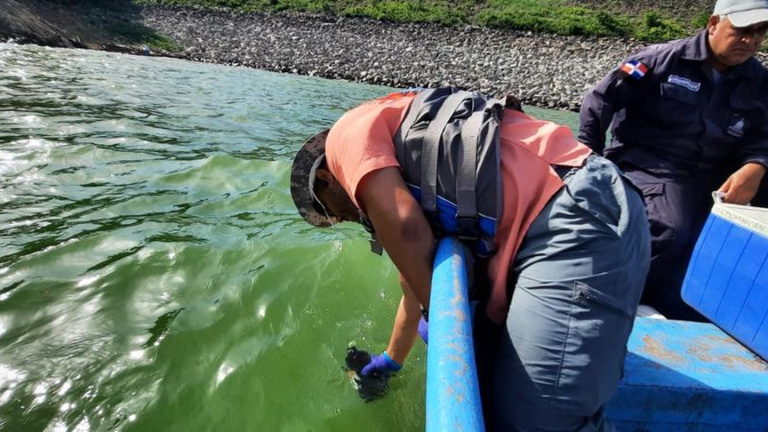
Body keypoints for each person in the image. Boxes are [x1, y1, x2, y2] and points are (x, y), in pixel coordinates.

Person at [290, 87, 650, 431]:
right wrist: (389, 362)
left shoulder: (346, 137)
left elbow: (406, 231)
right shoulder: (406, 150)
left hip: (577, 216)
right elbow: (412, 282)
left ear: (325, 177)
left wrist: (451, 333)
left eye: (331, 212)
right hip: (573, 205)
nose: (344, 219)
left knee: (536, 423)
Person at [578, 0, 768, 321]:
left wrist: (757, 164)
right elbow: (599, 102)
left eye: (760, 33)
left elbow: (762, 134)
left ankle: (730, 303)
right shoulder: (660, 61)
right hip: (646, 164)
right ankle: (616, 300)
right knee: (672, 231)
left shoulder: (758, 80)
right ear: (713, 24)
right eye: (742, 31)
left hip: (709, 174)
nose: (751, 41)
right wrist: (586, 166)